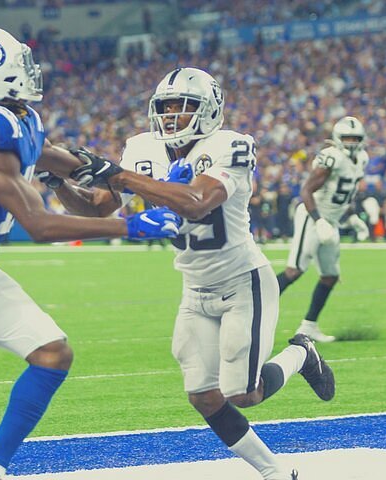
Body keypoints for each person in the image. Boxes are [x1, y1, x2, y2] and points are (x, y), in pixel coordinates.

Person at [0, 27, 180, 480]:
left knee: (52, 353)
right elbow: (39, 225)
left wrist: (127, 177)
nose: (30, 70)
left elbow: (59, 160)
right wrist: (131, 225)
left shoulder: (20, 120)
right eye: (18, 63)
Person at [45, 68, 335, 480]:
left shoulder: (230, 144)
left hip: (242, 282)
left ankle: (301, 353)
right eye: (165, 107)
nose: (171, 116)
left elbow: (198, 201)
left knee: (244, 393)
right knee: (203, 395)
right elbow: (97, 206)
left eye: (184, 107)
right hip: (194, 287)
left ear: (210, 109)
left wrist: (116, 173)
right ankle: (276, 472)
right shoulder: (141, 147)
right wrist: (57, 181)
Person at [275, 116, 370, 342]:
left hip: (332, 220)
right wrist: (318, 220)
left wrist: (352, 216)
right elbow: (306, 190)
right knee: (294, 270)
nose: (351, 142)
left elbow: (344, 194)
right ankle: (250, 310)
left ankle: (308, 326)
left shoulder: (362, 159)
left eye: (355, 138)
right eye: (346, 137)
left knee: (330, 276)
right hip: (312, 216)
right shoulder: (331, 158)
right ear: (337, 138)